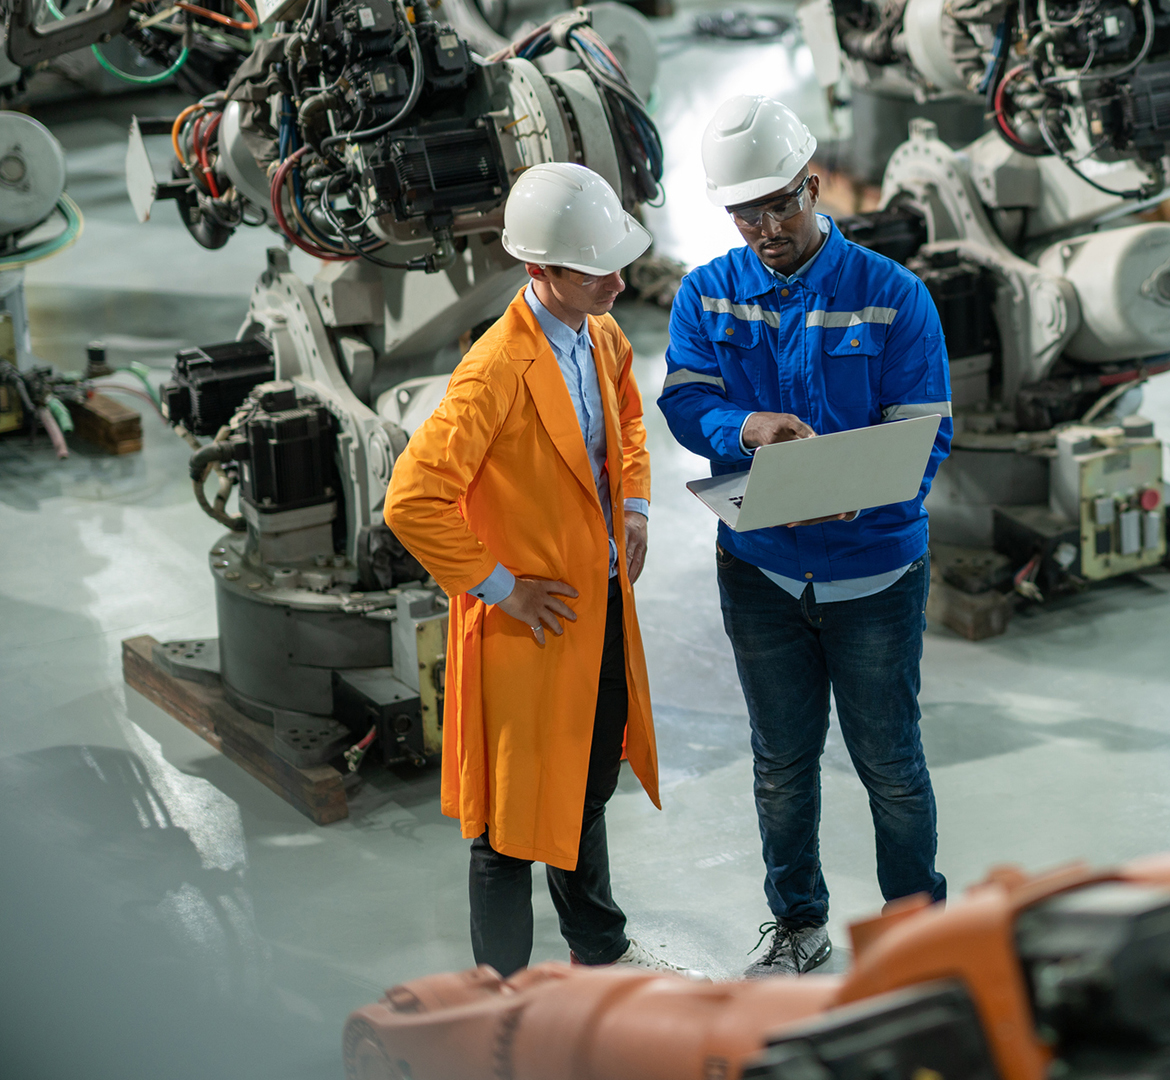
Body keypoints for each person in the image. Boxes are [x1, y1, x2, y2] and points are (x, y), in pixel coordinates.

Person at [657, 95, 954, 977]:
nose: (764, 227)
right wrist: (746, 429)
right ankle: (798, 921)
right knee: (781, 764)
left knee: (890, 766)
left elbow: (926, 430)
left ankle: (916, 933)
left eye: (780, 205)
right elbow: (684, 399)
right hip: (762, 576)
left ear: (813, 186)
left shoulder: (892, 297)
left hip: (874, 576)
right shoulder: (709, 294)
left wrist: (853, 501)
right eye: (745, 211)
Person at [386, 162, 691, 977]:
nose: (619, 283)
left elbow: (626, 420)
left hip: (595, 618)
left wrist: (634, 508)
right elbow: (412, 500)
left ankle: (599, 949)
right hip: (529, 633)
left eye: (619, 262)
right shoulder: (493, 373)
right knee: (505, 830)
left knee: (583, 792)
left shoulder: (603, 337)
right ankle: (503, 996)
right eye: (596, 271)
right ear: (538, 271)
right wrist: (502, 588)